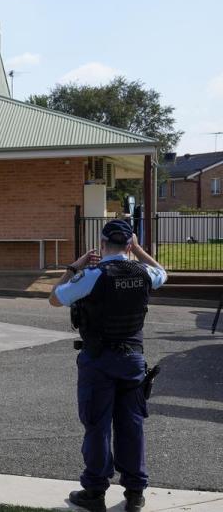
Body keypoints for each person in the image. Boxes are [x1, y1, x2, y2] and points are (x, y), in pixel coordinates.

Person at [50, 219, 167, 512]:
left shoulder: (92, 275)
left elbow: (54, 298)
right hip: (132, 360)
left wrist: (75, 266)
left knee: (97, 426)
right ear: (129, 245)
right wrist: (139, 250)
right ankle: (135, 492)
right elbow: (164, 272)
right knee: (132, 426)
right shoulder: (144, 273)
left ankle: (94, 491)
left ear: (102, 245)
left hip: (98, 360)